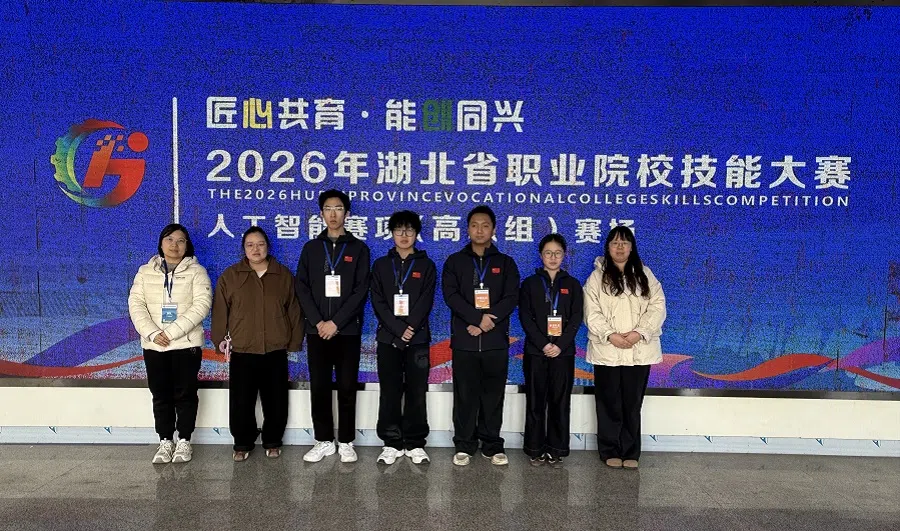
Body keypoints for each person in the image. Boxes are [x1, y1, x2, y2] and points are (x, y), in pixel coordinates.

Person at [211, 227, 303, 462]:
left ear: (268, 247)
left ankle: (273, 441)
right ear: (243, 249)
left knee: (276, 400)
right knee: (241, 400)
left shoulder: (283, 275)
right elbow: (220, 310)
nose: (256, 249)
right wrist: (219, 338)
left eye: (260, 244)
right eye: (250, 245)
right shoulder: (231, 276)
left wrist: (294, 341)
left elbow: (294, 310)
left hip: (275, 348)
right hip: (243, 348)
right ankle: (242, 442)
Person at [295, 189, 371, 464]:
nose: (333, 214)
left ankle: (347, 441)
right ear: (321, 214)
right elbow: (301, 288)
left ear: (346, 213)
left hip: (347, 330)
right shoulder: (311, 248)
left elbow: (361, 290)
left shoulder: (359, 249)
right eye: (328, 208)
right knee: (320, 386)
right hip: (317, 331)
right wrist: (319, 322)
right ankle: (324, 440)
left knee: (348, 386)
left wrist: (336, 322)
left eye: (338, 208)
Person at [442, 206, 520, 466]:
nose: (479, 230)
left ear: (493, 229)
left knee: (493, 396)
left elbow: (511, 297)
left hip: (495, 342)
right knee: (464, 395)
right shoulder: (455, 261)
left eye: (485, 225)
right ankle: (464, 444)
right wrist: (477, 319)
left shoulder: (505, 263)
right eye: (474, 225)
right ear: (467, 229)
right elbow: (451, 296)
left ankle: (492, 444)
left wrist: (487, 323)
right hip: (465, 340)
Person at [128, 223, 212, 464]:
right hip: (155, 346)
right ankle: (165, 440)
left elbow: (202, 305)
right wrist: (153, 333)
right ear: (161, 243)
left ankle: (184, 440)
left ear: (187, 245)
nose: (175, 245)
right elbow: (136, 304)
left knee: (186, 394)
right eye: (170, 239)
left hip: (186, 345)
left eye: (180, 241)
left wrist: (172, 332)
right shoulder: (145, 272)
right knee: (160, 394)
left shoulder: (197, 272)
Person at [583, 226, 666, 470]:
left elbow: (657, 305)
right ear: (607, 247)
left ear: (632, 247)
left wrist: (639, 332)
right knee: (608, 402)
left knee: (632, 403)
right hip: (607, 349)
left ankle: (630, 451)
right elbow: (590, 311)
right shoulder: (596, 277)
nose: (620, 247)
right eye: (615, 243)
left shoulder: (645, 274)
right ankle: (609, 450)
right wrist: (610, 335)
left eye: (625, 243)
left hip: (638, 350)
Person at [370, 210, 437, 465]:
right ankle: (391, 442)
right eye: (399, 230)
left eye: (409, 230)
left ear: (417, 233)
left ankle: (415, 442)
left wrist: (409, 328)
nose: (404, 235)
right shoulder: (381, 265)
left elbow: (426, 301)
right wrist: (398, 329)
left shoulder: (426, 266)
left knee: (416, 391)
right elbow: (377, 301)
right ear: (392, 233)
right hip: (388, 339)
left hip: (418, 339)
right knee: (390, 391)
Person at [518, 234, 583, 467]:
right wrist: (544, 344)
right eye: (548, 253)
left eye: (557, 253)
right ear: (541, 255)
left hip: (563, 354)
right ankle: (534, 449)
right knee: (536, 401)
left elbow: (576, 318)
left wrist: (560, 345)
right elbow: (525, 317)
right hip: (536, 352)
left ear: (564, 255)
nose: (553, 257)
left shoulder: (572, 284)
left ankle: (556, 449)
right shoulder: (530, 284)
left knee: (559, 401)